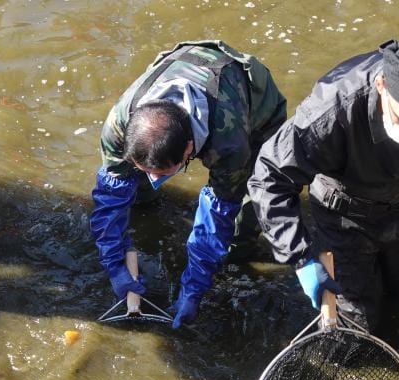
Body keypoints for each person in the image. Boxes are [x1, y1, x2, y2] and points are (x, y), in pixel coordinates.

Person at [248, 40, 399, 341]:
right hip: (346, 213)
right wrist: (299, 256)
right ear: (381, 85)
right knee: (357, 323)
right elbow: (269, 178)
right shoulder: (332, 111)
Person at [90, 41, 286, 329]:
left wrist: (194, 287)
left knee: (239, 229)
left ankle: (237, 249)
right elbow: (109, 199)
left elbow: (217, 216)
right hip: (179, 75)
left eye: (164, 171)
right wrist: (114, 263)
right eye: (147, 170)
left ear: (190, 149)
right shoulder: (119, 125)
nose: (155, 178)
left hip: (252, 108)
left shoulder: (228, 141)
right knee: (132, 193)